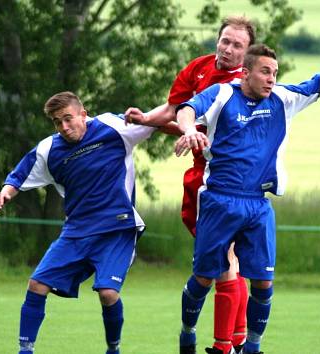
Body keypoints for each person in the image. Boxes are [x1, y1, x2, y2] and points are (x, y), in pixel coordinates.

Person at [174, 44, 320, 354]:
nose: (272, 78)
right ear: (246, 73)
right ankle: (188, 332)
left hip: (259, 204)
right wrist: (188, 129)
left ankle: (253, 348)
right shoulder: (222, 94)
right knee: (204, 277)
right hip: (219, 200)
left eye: (275, 72)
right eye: (265, 72)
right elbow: (187, 109)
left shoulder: (282, 99)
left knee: (263, 283)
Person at [124, 15, 255, 354]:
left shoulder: (242, 85)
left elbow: (199, 129)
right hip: (200, 178)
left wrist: (169, 128)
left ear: (248, 52)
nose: (227, 48)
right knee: (230, 264)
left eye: (237, 45)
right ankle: (237, 342)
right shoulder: (198, 67)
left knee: (223, 262)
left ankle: (224, 345)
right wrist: (147, 120)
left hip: (221, 181)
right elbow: (174, 109)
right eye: (225, 40)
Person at [0, 91, 157, 354]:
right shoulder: (50, 150)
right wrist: (5, 193)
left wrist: (188, 128)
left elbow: (156, 120)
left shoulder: (112, 127)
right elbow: (20, 175)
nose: (65, 127)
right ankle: (25, 351)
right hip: (77, 231)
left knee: (107, 293)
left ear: (83, 113)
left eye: (68, 119)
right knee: (37, 284)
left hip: (118, 227)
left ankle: (113, 349)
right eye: (58, 122)